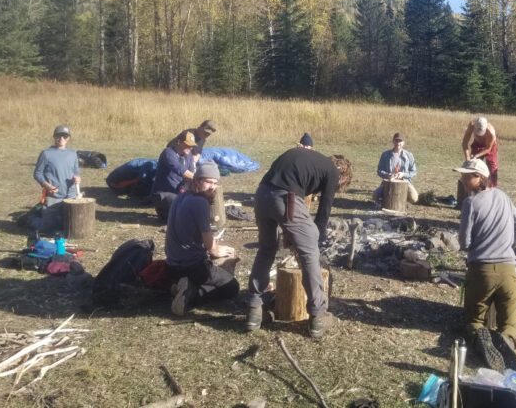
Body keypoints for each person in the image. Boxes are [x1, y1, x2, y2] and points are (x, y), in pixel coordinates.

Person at [245, 147, 353, 338]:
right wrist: (315, 239)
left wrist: (292, 233)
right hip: (285, 198)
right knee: (310, 254)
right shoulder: (332, 172)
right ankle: (318, 315)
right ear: (343, 177)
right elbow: (324, 211)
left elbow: (290, 192)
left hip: (262, 195)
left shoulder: (309, 161)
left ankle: (255, 309)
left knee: (266, 248)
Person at [456, 158, 516, 372]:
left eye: (468, 176)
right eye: (463, 175)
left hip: (482, 271)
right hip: (508, 271)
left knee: (474, 322)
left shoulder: (470, 203)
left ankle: (480, 340)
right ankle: (507, 341)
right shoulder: (503, 196)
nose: (463, 179)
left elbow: (464, 242)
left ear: (481, 178)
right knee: (509, 325)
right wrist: (507, 247)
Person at [166, 162, 239, 316]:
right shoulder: (200, 202)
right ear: (197, 180)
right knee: (232, 286)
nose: (212, 187)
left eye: (214, 182)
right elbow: (210, 247)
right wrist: (218, 250)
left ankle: (181, 285)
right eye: (208, 181)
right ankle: (190, 295)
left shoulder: (179, 197)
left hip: (171, 265)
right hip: (192, 266)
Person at [32, 125, 81, 232]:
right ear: (54, 137)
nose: (61, 139)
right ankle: (30, 219)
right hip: (53, 196)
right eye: (58, 136)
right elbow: (37, 173)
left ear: (68, 138)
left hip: (71, 197)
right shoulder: (46, 154)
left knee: (69, 227)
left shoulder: (73, 154)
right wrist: (47, 186)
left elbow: (76, 172)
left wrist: (77, 178)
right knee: (48, 229)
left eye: (64, 136)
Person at [152, 131, 196, 221]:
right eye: (188, 145)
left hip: (178, 192)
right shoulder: (168, 153)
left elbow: (191, 175)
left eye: (192, 146)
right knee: (182, 203)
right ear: (179, 142)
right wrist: (200, 179)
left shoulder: (188, 155)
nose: (191, 148)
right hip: (163, 195)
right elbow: (180, 170)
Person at [373, 132, 418, 206]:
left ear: (403, 143)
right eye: (396, 141)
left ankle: (404, 200)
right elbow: (379, 170)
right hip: (388, 182)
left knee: (414, 198)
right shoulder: (385, 155)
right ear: (393, 141)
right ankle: (386, 200)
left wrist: (403, 174)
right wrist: (387, 175)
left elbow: (413, 172)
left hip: (405, 182)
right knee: (376, 195)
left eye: (400, 141)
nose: (398, 143)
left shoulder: (409, 155)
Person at [461, 117, 498, 187]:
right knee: (472, 166)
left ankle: (492, 189)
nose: (478, 134)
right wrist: (467, 157)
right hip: (477, 144)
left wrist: (476, 156)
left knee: (492, 168)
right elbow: (464, 143)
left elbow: (488, 149)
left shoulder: (491, 132)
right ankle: (473, 187)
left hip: (490, 146)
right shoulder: (471, 125)